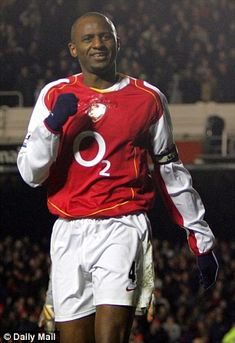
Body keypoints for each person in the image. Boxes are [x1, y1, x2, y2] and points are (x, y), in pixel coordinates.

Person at [17, 12, 219, 343]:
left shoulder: (148, 99)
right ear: (73, 49)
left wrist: (201, 239)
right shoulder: (54, 96)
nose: (98, 44)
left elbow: (170, 172)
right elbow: (30, 173)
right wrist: (52, 126)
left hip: (123, 226)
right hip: (68, 231)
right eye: (88, 39)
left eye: (105, 36)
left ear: (117, 42)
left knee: (111, 336)